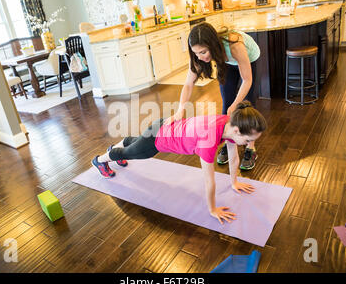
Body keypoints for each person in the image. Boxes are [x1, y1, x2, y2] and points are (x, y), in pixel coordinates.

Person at [91, 101, 267, 224]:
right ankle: (99, 160)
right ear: (237, 131)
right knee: (130, 153)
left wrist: (234, 181)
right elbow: (208, 179)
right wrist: (213, 209)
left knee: (133, 144)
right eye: (248, 140)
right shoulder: (209, 140)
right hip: (157, 140)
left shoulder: (227, 123)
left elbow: (233, 155)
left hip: (162, 126)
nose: (249, 144)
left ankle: (119, 148)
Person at [165, 22, 261, 170]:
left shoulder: (235, 45)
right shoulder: (199, 55)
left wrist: (236, 105)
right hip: (226, 61)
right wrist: (180, 110)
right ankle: (230, 141)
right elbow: (188, 84)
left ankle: (250, 147)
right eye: (196, 53)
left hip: (249, 57)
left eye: (203, 52)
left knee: (246, 102)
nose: (199, 57)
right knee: (227, 103)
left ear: (213, 45)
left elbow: (247, 80)